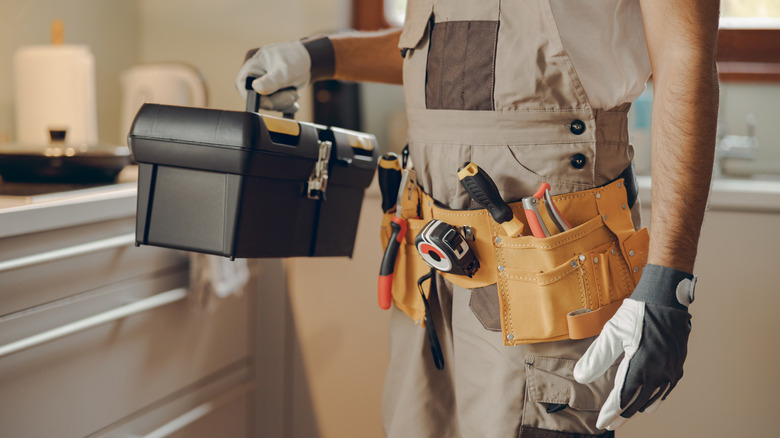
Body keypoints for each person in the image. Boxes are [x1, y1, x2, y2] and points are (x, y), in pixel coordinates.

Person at [236, 0, 720, 436]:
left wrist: (667, 285)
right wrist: (316, 56)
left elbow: (686, 57)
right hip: (428, 276)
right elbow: (441, 52)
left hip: (543, 276)